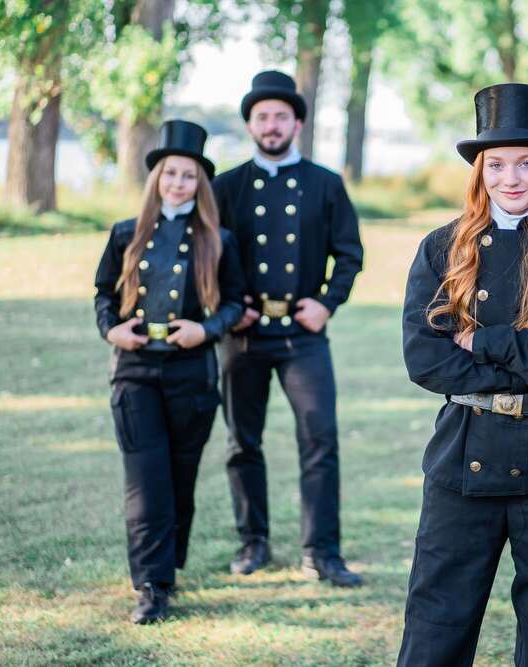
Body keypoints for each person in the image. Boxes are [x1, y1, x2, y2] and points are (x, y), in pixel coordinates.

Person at [396, 83, 528, 666]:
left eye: (526, 164)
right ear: (479, 171)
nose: (511, 177)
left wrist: (481, 339)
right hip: (465, 453)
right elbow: (426, 360)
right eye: (497, 164)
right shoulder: (441, 250)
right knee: (437, 623)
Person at [211, 70, 365, 585]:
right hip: (245, 336)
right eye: (262, 117)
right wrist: (231, 306)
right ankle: (252, 543)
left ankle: (322, 552)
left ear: (297, 122)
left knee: (320, 438)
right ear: (250, 125)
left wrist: (326, 302)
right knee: (242, 441)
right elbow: (207, 260)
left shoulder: (325, 183)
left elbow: (349, 254)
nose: (271, 125)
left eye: (281, 116)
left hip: (303, 334)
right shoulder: (224, 187)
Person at [94, 120, 245, 624]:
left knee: (180, 481)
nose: (178, 183)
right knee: (146, 483)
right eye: (170, 174)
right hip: (134, 374)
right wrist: (111, 330)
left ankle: (167, 567)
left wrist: (205, 331)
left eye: (188, 176)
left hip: (192, 378)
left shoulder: (217, 239)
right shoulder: (124, 234)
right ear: (156, 178)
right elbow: (102, 296)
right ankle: (152, 587)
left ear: (199, 184)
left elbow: (234, 304)